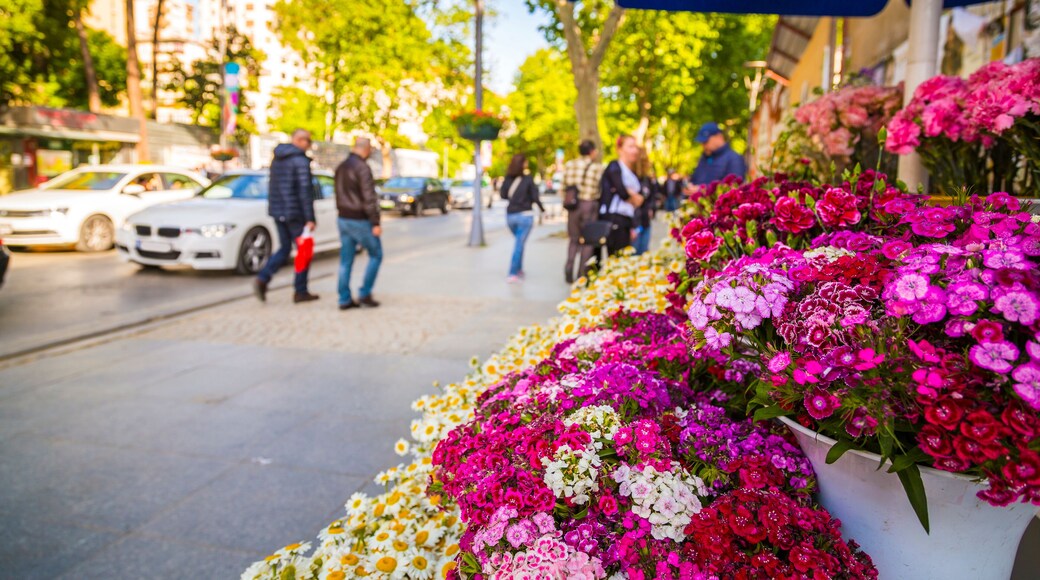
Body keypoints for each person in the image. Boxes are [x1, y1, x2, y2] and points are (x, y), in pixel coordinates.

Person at [254, 129, 318, 304]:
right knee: (304, 251)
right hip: (295, 213)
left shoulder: (278, 158)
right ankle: (300, 290)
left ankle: (263, 278)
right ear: (299, 140)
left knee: (284, 248)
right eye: (308, 141)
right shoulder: (299, 160)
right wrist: (310, 218)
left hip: (278, 211)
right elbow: (305, 191)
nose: (309, 145)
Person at [334, 137, 383, 310]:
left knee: (345, 260)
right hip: (359, 219)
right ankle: (365, 293)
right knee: (376, 254)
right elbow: (369, 198)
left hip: (343, 218)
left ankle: (344, 298)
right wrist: (375, 222)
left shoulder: (341, 167)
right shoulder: (362, 167)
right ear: (366, 148)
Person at [561, 139, 604, 283]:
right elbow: (600, 188)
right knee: (588, 241)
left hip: (573, 206)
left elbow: (563, 187)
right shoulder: (597, 168)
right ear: (592, 151)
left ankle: (569, 266)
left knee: (573, 239)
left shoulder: (569, 165)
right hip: (589, 205)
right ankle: (582, 274)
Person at [598, 135, 645, 257]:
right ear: (619, 149)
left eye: (635, 147)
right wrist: (630, 194)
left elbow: (639, 199)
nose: (635, 150)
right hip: (615, 219)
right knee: (617, 259)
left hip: (626, 220)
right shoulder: (615, 166)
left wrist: (630, 193)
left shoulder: (631, 171)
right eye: (630, 146)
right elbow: (622, 192)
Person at [500, 153, 545, 283]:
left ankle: (518, 269)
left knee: (519, 243)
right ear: (522, 164)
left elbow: (503, 195)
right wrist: (542, 209)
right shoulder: (528, 179)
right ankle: (512, 273)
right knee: (519, 244)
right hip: (525, 216)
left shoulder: (508, 178)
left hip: (510, 216)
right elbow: (535, 197)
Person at [689, 122, 747, 186]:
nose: (703, 146)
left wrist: (702, 191)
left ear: (719, 137)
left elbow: (734, 187)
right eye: (702, 143)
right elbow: (696, 180)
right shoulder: (704, 158)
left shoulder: (734, 159)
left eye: (706, 142)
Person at [633, 147, 657, 256]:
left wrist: (651, 208)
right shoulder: (630, 178)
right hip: (634, 223)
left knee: (643, 253)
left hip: (645, 220)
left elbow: (651, 196)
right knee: (634, 253)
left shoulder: (647, 179)